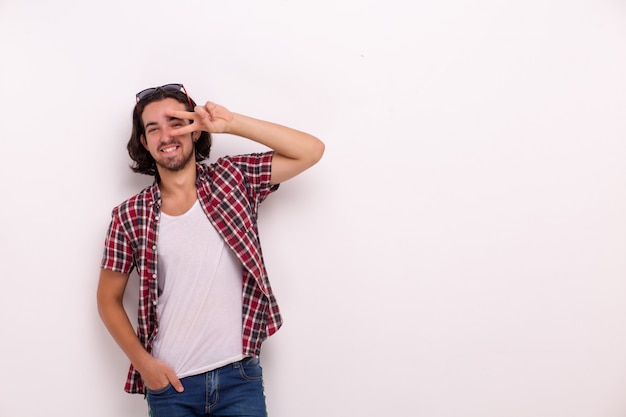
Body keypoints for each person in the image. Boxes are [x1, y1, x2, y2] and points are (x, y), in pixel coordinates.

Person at [97, 83, 324, 417]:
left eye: (176, 122)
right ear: (144, 142)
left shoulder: (233, 178)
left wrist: (231, 123)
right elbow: (107, 299)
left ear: (194, 129)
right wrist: (144, 365)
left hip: (239, 378)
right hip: (171, 387)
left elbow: (311, 151)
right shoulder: (129, 215)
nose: (166, 136)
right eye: (154, 128)